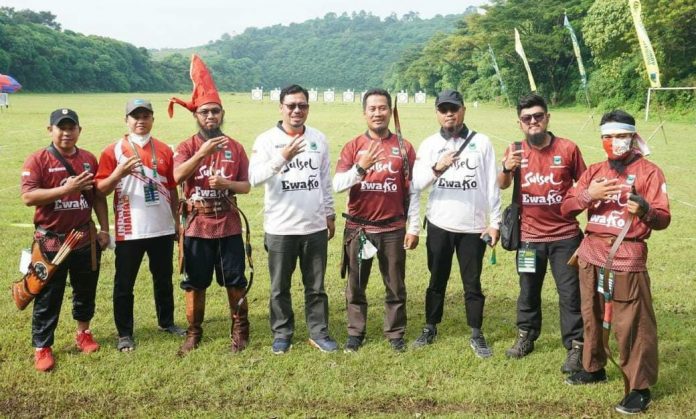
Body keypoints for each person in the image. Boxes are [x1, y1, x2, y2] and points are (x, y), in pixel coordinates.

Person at [561, 110, 670, 415]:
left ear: (633, 137)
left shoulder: (650, 172)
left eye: (621, 136)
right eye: (608, 137)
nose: (614, 142)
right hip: (590, 252)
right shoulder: (594, 171)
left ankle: (639, 387)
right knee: (591, 314)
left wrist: (646, 209)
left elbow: (663, 218)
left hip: (627, 253)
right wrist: (587, 194)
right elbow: (566, 208)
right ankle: (593, 367)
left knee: (632, 322)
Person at [498, 93, 587, 373]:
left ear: (547, 117)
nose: (533, 121)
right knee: (527, 291)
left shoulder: (568, 148)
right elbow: (501, 184)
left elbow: (583, 186)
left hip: (565, 236)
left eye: (538, 116)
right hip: (529, 239)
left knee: (570, 294)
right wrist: (506, 168)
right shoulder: (514, 149)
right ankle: (526, 336)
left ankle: (575, 346)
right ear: (519, 123)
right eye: (527, 118)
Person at [170, 54, 251, 355]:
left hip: (228, 221)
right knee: (195, 282)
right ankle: (193, 332)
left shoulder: (235, 147)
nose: (211, 117)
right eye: (205, 112)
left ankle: (240, 329)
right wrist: (201, 153)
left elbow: (246, 186)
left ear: (222, 113)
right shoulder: (187, 146)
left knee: (235, 280)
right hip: (197, 224)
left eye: (215, 112)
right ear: (196, 115)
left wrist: (227, 185)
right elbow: (177, 175)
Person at [411, 89, 500, 358]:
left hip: (472, 228)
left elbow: (492, 185)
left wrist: (494, 222)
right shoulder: (428, 145)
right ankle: (430, 327)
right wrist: (438, 167)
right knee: (436, 279)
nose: (449, 113)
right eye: (443, 109)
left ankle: (476, 332)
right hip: (439, 224)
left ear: (463, 110)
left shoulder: (482, 142)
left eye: (454, 108)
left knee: (472, 283)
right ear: (437, 113)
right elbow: (416, 185)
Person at [249, 84, 338, 354]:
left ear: (308, 108)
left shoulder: (319, 139)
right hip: (280, 227)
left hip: (314, 225)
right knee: (279, 287)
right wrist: (281, 158)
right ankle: (282, 333)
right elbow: (253, 179)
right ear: (281, 108)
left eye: (302, 105)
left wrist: (330, 213)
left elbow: (324, 180)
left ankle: (318, 332)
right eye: (291, 105)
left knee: (316, 286)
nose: (297, 110)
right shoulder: (265, 140)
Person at [20, 108, 110, 371]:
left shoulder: (88, 159)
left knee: (85, 289)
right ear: (51, 130)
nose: (67, 132)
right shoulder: (38, 159)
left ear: (79, 131)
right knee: (48, 295)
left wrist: (104, 230)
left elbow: (98, 197)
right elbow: (28, 197)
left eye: (72, 127)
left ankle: (83, 333)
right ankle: (43, 347)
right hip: (50, 241)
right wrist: (66, 189)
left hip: (83, 238)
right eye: (61, 127)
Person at [333, 88, 419, 353]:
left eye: (382, 108)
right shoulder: (353, 146)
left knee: (395, 285)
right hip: (359, 228)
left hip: (393, 228)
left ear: (390, 111)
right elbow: (337, 185)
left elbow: (412, 190)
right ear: (364, 113)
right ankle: (355, 333)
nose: (378, 113)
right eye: (372, 109)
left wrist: (413, 227)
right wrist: (361, 167)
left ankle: (395, 334)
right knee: (356, 286)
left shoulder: (404, 148)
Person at [95, 99, 184, 352]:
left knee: (163, 279)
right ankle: (124, 333)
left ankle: (166, 322)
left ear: (153, 119)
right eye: (135, 116)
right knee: (124, 284)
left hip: (162, 228)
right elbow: (100, 190)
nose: (140, 121)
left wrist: (176, 223)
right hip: (129, 229)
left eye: (145, 115)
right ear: (126, 120)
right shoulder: (113, 150)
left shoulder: (165, 149)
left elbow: (172, 188)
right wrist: (118, 174)